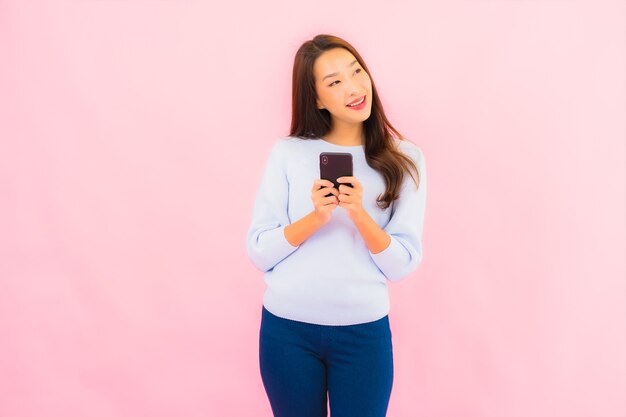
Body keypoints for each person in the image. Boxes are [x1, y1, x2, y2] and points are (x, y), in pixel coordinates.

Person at [245, 34, 427, 417]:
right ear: (316, 99)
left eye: (356, 71)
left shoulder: (405, 158)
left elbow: (403, 264)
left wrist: (359, 213)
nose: (354, 87)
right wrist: (316, 218)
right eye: (334, 82)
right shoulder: (288, 153)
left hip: (363, 333)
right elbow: (259, 251)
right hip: (287, 331)